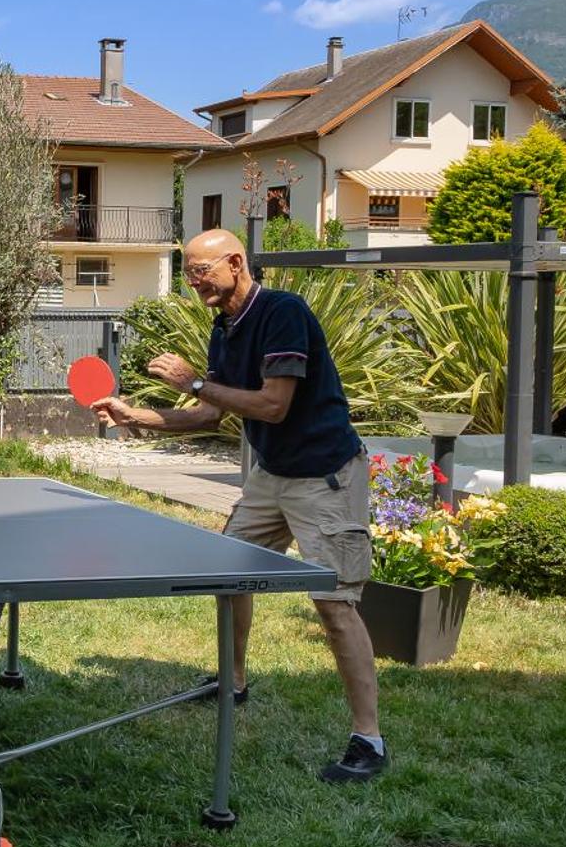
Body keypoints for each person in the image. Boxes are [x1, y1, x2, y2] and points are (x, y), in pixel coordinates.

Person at [90, 228, 387, 783]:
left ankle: (368, 738)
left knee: (335, 604)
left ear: (235, 261)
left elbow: (273, 406)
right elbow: (208, 416)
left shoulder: (282, 313)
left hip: (325, 478)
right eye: (188, 273)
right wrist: (137, 417)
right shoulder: (224, 328)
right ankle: (234, 681)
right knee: (231, 574)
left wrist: (194, 381)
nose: (195, 281)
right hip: (271, 477)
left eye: (202, 270)